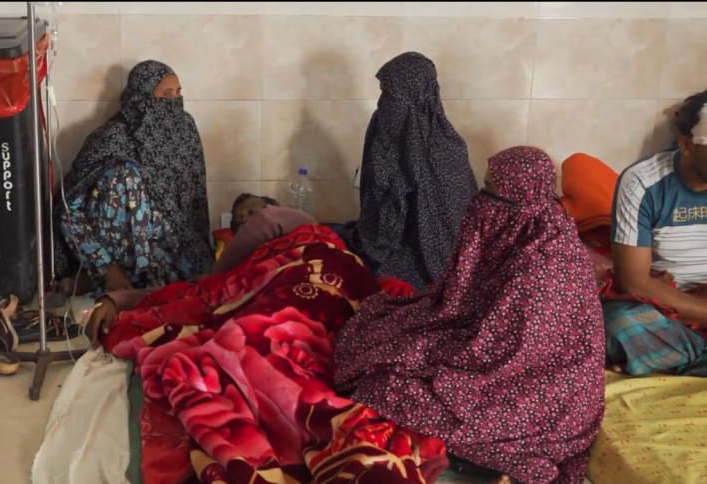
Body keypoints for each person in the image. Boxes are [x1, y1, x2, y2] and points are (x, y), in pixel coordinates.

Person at [335, 147, 606, 483]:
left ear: (519, 197)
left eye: (491, 190)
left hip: (539, 397)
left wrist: (424, 354)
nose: (481, 199)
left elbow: (501, 356)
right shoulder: (534, 225)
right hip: (513, 365)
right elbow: (472, 304)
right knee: (382, 337)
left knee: (384, 385)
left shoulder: (542, 264)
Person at [52, 60, 212, 294]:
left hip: (166, 249)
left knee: (191, 285)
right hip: (111, 253)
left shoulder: (184, 130)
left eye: (178, 93)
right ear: (141, 97)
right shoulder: (112, 139)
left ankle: (127, 283)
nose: (175, 102)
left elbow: (194, 205)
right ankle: (105, 278)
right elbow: (69, 208)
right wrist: (105, 267)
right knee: (125, 175)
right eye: (166, 95)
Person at [85, 193, 317, 343]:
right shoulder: (241, 270)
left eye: (250, 212)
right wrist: (118, 300)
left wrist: (218, 273)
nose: (245, 221)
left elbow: (266, 221)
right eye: (238, 221)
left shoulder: (300, 225)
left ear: (273, 206)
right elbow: (192, 292)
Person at [346, 52, 477, 289]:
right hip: (375, 242)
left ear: (417, 98)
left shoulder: (445, 152)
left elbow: (446, 236)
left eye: (391, 96)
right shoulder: (383, 127)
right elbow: (374, 199)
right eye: (383, 93)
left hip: (422, 258)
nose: (384, 103)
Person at [605, 90, 707, 376]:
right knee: (620, 327)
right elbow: (634, 281)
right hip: (665, 303)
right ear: (686, 145)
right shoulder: (642, 182)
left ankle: (675, 358)